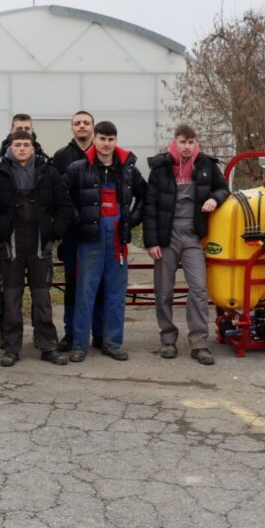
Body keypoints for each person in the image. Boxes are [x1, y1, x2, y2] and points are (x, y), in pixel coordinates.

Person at [0, 129, 74, 366]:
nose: (21, 148)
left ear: (33, 147)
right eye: (17, 144)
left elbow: (65, 206)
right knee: (11, 298)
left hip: (40, 242)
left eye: (25, 144)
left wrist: (54, 232)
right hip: (11, 243)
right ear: (10, 147)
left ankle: (48, 345)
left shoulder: (48, 171)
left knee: (42, 297)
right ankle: (11, 347)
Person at [144, 125, 229, 365]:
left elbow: (224, 189)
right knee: (163, 290)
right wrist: (152, 241)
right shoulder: (160, 168)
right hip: (166, 236)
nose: (187, 147)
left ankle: (199, 341)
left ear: (195, 143)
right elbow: (150, 206)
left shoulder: (206, 165)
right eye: (183, 142)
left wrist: (214, 198)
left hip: (193, 236)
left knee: (199, 289)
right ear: (175, 142)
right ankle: (168, 339)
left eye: (191, 142)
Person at [63, 121, 146, 362]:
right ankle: (79, 344)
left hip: (118, 241)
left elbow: (145, 196)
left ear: (115, 141)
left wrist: (131, 219)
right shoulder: (78, 168)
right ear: (94, 140)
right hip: (90, 240)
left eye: (111, 139)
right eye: (102, 139)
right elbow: (63, 197)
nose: (106, 144)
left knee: (115, 294)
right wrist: (79, 221)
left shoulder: (129, 169)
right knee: (85, 294)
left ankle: (112, 343)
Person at [52, 110, 103, 351]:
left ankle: (100, 334)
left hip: (100, 232)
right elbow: (58, 195)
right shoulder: (61, 157)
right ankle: (70, 333)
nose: (82, 127)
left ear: (93, 127)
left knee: (99, 283)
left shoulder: (105, 153)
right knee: (73, 283)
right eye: (77, 123)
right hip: (72, 233)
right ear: (72, 128)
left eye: (86, 123)